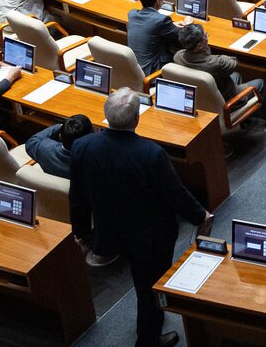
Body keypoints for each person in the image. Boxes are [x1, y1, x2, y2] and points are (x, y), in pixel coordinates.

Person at [70, 88, 212, 347]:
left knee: (143, 285)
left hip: (109, 230)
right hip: (149, 236)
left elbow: (77, 196)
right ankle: (148, 341)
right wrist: (200, 215)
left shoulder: (82, 146)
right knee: (149, 289)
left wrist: (81, 232)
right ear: (136, 118)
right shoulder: (150, 153)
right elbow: (174, 193)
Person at [175, 24, 266, 130]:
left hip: (200, 97)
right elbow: (233, 62)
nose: (207, 36)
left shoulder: (178, 56)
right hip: (225, 101)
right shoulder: (215, 63)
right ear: (199, 46)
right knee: (260, 83)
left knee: (236, 75)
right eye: (206, 35)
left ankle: (244, 119)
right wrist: (207, 50)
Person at [127, 0, 182, 74]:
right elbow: (181, 35)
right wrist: (188, 24)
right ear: (158, 1)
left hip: (135, 68)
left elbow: (150, 24)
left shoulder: (132, 14)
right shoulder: (161, 20)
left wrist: (172, 24)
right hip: (152, 71)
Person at [25, 114, 93, 180]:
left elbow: (31, 142)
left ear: (60, 136)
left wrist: (60, 126)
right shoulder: (94, 163)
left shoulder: (44, 149)